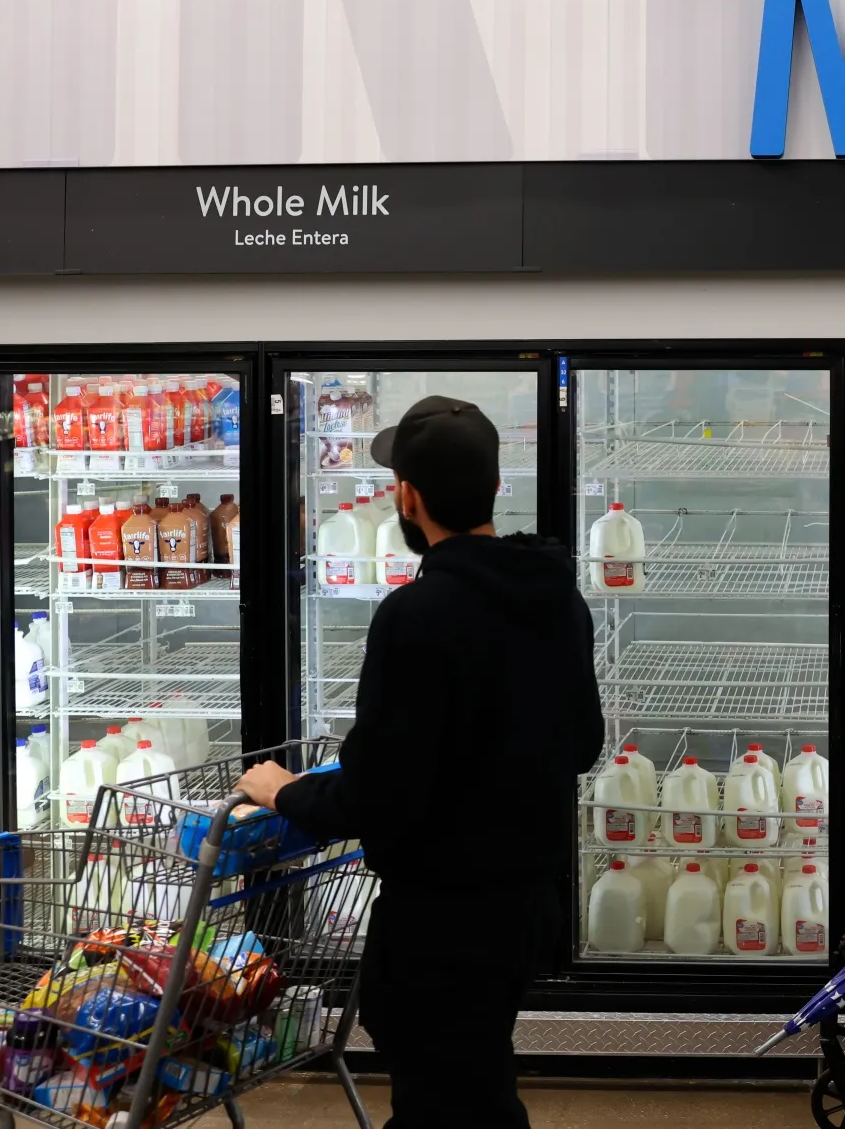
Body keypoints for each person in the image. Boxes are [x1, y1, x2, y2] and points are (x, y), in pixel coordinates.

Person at [237, 396, 604, 1129]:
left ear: (406, 496)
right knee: (473, 1086)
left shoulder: (417, 615)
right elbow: (583, 743)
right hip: (525, 909)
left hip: (442, 924)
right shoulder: (557, 594)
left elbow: (380, 795)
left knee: (451, 1104)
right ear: (496, 486)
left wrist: (287, 792)